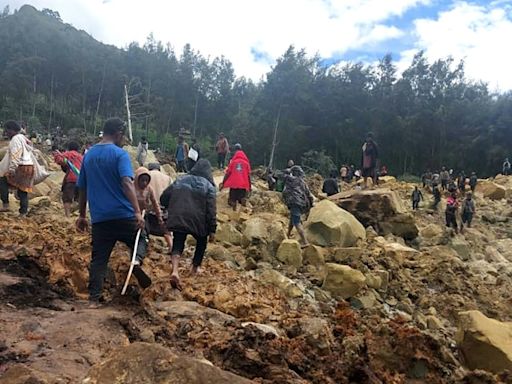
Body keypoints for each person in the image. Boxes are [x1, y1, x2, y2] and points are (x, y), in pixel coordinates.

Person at [76, 118, 151, 306]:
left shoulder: (89, 155)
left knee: (99, 259)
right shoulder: (120, 155)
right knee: (141, 237)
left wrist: (82, 216)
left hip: (100, 218)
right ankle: (136, 262)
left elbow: (83, 189)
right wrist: (136, 211)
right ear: (118, 134)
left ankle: (94, 297)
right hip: (123, 214)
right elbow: (127, 183)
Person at [160, 159, 216, 290]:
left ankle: (174, 270)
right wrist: (212, 229)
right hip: (198, 221)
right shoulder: (209, 186)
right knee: (201, 242)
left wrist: (170, 207)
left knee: (178, 241)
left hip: (179, 216)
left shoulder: (181, 179)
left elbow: (164, 197)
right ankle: (195, 269)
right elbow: (211, 209)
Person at [0, 121, 35, 215]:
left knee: (2, 179)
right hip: (29, 166)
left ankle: (5, 204)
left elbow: (16, 154)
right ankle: (23, 212)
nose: (6, 133)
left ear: (12, 130)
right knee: (23, 190)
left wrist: (12, 168)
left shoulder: (15, 139)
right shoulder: (24, 138)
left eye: (7, 130)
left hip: (21, 166)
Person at [134, 167, 173, 253]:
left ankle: (141, 249)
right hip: (161, 208)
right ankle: (171, 248)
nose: (145, 183)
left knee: (145, 231)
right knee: (166, 231)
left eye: (146, 181)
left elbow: (153, 202)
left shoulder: (146, 183)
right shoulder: (167, 178)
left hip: (148, 211)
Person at [283, 165, 313, 247]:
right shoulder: (302, 182)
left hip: (294, 202)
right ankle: (287, 235)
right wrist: (311, 204)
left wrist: (289, 172)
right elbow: (309, 194)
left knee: (296, 222)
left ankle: (305, 242)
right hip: (301, 203)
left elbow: (284, 176)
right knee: (292, 219)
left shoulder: (290, 180)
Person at [53, 141, 83, 217]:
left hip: (71, 178)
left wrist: (56, 154)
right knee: (78, 197)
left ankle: (67, 215)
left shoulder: (69, 154)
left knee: (67, 198)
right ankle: (78, 213)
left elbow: (59, 160)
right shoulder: (81, 156)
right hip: (81, 179)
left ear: (68, 148)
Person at [219, 143, 251, 211]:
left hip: (234, 185)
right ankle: (242, 207)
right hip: (243, 186)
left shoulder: (233, 162)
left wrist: (223, 183)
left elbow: (227, 174)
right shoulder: (246, 163)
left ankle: (233, 208)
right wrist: (249, 187)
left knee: (231, 200)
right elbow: (248, 176)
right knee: (241, 199)